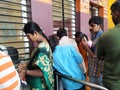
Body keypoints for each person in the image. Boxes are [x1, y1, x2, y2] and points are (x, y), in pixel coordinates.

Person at [18, 21, 54, 90]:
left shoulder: (41, 48)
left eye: (28, 36)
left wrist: (25, 71)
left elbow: (42, 72)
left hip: (40, 85)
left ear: (35, 33)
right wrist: (25, 64)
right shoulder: (43, 43)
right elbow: (37, 61)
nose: (28, 39)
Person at [97, 1, 120, 90]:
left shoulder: (105, 36)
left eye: (111, 15)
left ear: (116, 14)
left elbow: (99, 56)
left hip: (112, 84)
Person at [81, 16, 104, 90]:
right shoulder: (95, 36)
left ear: (99, 26)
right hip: (93, 72)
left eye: (92, 25)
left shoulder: (101, 38)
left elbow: (95, 56)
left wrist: (86, 47)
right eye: (89, 26)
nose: (90, 28)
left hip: (97, 74)